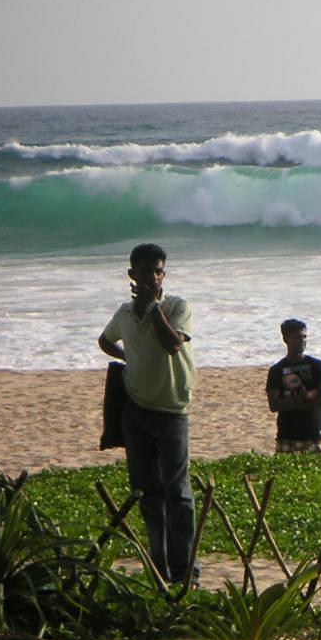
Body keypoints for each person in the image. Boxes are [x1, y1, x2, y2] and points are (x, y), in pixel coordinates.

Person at [97, 243, 198, 588]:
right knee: (147, 493)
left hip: (171, 411)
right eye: (146, 271)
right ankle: (160, 566)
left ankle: (184, 569)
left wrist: (154, 308)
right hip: (136, 411)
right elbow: (105, 340)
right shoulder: (125, 314)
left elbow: (173, 344)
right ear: (132, 275)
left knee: (178, 493)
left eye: (159, 271)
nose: (154, 277)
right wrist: (129, 358)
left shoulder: (175, 306)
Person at [266, 318, 321, 453]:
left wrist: (291, 404)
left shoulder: (316, 366)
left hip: (312, 435)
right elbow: (274, 405)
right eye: (297, 337)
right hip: (286, 436)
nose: (302, 341)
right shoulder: (277, 370)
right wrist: (304, 398)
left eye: (304, 337)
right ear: (286, 339)